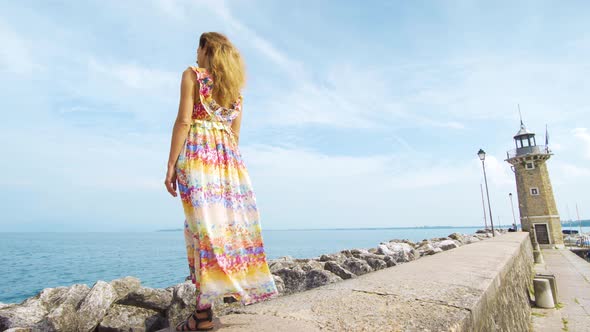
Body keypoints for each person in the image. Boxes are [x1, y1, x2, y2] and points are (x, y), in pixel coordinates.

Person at [165, 32, 279, 331]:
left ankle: (202, 316)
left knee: (203, 233)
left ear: (207, 50)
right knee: (224, 231)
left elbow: (184, 121)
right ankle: (207, 308)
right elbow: (235, 135)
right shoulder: (235, 92)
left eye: (198, 49)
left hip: (199, 158)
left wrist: (170, 165)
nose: (195, 55)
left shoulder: (192, 75)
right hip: (229, 164)